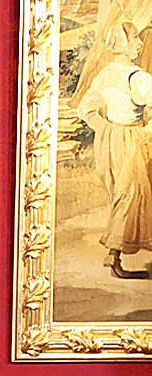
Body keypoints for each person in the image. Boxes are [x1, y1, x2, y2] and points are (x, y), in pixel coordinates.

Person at [76, 22, 152, 278]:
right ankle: (113, 253)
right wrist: (145, 132)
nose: (140, 45)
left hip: (109, 139)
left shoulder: (105, 74)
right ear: (124, 44)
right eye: (135, 40)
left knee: (123, 194)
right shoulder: (138, 77)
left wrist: (105, 129)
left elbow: (85, 109)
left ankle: (117, 253)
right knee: (130, 194)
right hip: (130, 139)